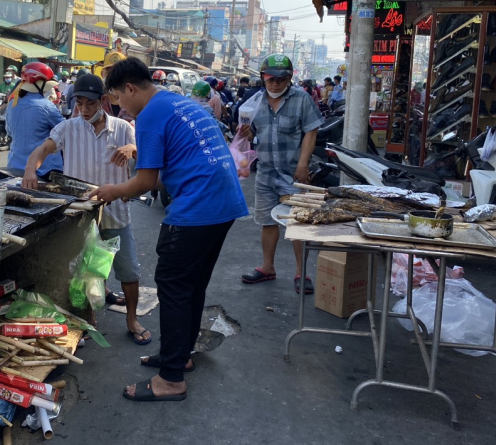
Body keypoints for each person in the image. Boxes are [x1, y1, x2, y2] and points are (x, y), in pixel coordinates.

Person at [91, 58, 247, 403]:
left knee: (174, 288)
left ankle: (171, 380)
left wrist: (111, 190)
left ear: (130, 88)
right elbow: (164, 174)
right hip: (224, 203)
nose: (120, 108)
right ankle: (179, 355)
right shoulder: (179, 102)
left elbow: (146, 183)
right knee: (191, 286)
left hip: (199, 207)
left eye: (117, 99)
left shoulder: (149, 116)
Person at [22, 73, 149, 343]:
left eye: (90, 103)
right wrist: (30, 169)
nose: (85, 109)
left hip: (115, 211)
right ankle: (88, 321)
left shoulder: (123, 127)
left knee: (128, 270)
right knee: (84, 271)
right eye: (79, 103)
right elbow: (43, 149)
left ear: (103, 101)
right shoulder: (69, 128)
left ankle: (132, 319)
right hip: (82, 214)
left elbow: (145, 152)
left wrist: (131, 149)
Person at [239, 55, 323, 294]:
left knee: (296, 223)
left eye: (281, 79)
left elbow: (311, 132)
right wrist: (246, 133)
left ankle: (301, 272)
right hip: (265, 172)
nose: (275, 84)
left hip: (294, 173)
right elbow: (251, 134)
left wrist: (303, 164)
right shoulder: (255, 101)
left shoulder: (302, 99)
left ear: (289, 79)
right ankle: (268, 267)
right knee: (266, 221)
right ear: (263, 78)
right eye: (270, 79)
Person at [6, 63, 64, 177]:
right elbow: (64, 131)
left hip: (15, 166)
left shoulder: (12, 103)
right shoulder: (47, 106)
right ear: (39, 83)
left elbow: (9, 131)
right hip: (44, 169)